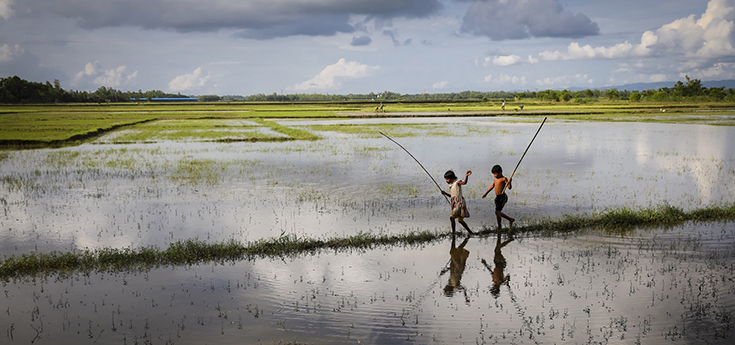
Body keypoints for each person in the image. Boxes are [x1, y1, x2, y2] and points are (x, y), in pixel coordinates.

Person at [482, 165, 515, 232]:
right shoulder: (495, 179)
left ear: (500, 172)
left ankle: (499, 226)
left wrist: (509, 182)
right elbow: (492, 186)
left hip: (502, 197)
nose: (494, 175)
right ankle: (510, 219)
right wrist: (486, 193)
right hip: (497, 197)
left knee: (498, 212)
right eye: (493, 174)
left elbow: (509, 187)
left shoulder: (503, 179)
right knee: (497, 212)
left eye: (495, 173)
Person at [442, 170, 475, 235]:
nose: (446, 181)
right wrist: (445, 193)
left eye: (447, 179)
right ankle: (470, 232)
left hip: (459, 203)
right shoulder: (452, 185)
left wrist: (466, 176)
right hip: (456, 204)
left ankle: (453, 232)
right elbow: (452, 196)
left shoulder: (457, 182)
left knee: (452, 218)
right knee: (460, 220)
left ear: (451, 178)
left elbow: (464, 182)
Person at [481, 231, 514, 298]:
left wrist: (485, 264)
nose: (492, 286)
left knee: (497, 249)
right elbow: (508, 276)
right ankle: (509, 239)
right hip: (501, 263)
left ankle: (501, 236)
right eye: (493, 288)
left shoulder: (494, 280)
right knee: (497, 249)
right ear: (495, 288)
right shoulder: (500, 282)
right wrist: (507, 281)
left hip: (496, 263)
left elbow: (491, 272)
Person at [443, 231, 471, 302]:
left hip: (455, 264)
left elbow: (452, 272)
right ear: (448, 289)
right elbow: (463, 288)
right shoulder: (454, 284)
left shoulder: (451, 282)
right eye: (445, 289)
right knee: (456, 250)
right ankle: (467, 238)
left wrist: (445, 270)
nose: (445, 287)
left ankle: (466, 238)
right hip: (458, 264)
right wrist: (466, 297)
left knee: (454, 250)